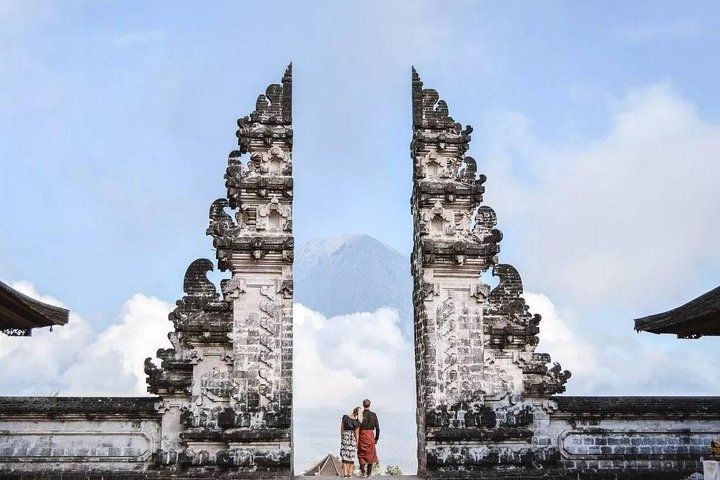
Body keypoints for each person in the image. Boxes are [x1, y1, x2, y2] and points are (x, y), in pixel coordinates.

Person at [357, 398, 380, 477]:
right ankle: (369, 474)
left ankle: (363, 471)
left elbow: (357, 428)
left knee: (361, 453)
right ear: (369, 405)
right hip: (370, 435)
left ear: (363, 405)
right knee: (371, 455)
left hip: (362, 435)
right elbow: (377, 428)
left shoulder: (360, 415)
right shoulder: (373, 414)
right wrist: (376, 438)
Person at [339, 406, 362, 477]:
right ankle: (350, 473)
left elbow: (341, 428)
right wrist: (357, 442)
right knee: (351, 455)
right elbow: (356, 434)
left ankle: (345, 473)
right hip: (352, 438)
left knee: (344, 455)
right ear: (358, 414)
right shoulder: (357, 422)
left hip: (345, 436)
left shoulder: (345, 417)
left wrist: (342, 437)